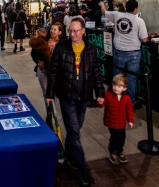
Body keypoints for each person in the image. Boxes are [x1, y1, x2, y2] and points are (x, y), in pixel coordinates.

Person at [46, 17, 104, 185]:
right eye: (70, 31)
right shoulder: (61, 48)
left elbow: (96, 73)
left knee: (75, 129)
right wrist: (50, 94)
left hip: (84, 96)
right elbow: (53, 72)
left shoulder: (91, 49)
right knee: (74, 132)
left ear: (83, 31)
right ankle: (83, 169)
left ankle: (69, 158)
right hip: (67, 95)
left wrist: (100, 92)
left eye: (76, 31)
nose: (73, 34)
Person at [101, 0, 148, 107]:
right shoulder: (139, 21)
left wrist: (102, 4)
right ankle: (131, 102)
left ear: (126, 7)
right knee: (131, 78)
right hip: (134, 54)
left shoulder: (117, 15)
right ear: (136, 8)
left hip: (119, 52)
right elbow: (144, 39)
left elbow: (104, 12)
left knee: (118, 77)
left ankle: (116, 101)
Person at [97, 74, 134, 165]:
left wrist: (130, 120)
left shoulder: (126, 98)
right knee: (114, 137)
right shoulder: (108, 95)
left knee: (121, 138)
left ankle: (119, 151)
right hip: (111, 122)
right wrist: (100, 102)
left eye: (119, 86)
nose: (116, 88)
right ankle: (112, 151)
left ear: (124, 88)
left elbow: (129, 110)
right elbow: (102, 104)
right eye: (114, 85)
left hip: (121, 123)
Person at [29, 28, 51, 113]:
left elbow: (33, 55)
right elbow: (47, 58)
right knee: (49, 94)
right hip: (46, 70)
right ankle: (50, 115)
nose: (52, 31)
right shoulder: (44, 45)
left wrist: (38, 61)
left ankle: (50, 115)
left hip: (44, 70)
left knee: (47, 93)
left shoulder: (35, 44)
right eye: (52, 29)